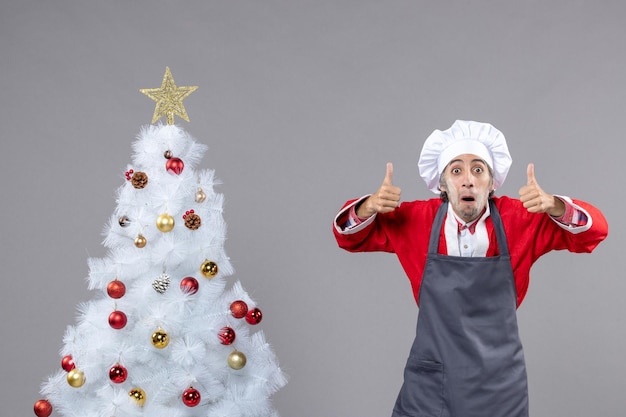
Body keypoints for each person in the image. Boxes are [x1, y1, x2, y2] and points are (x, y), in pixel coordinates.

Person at [332, 120, 608, 417]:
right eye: (456, 170)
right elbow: (349, 237)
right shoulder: (416, 220)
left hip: (498, 387)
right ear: (441, 183)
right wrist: (369, 206)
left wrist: (555, 205)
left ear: (491, 183)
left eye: (478, 170)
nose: (467, 180)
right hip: (431, 384)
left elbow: (595, 231)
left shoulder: (521, 219)